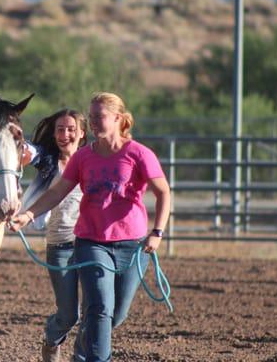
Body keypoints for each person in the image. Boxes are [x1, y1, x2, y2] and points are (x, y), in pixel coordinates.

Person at [11, 92, 170, 362]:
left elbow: (163, 192)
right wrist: (28, 214)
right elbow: (57, 192)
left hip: (132, 245)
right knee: (98, 309)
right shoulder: (83, 157)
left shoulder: (138, 153)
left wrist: (157, 232)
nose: (94, 121)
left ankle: (83, 354)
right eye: (92, 116)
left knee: (116, 315)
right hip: (91, 242)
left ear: (118, 119)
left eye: (100, 116)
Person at [21, 109, 88, 362]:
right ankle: (52, 339)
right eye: (60, 129)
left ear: (82, 134)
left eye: (71, 129)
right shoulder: (48, 159)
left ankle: (80, 357)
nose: (65, 135)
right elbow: (30, 152)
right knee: (68, 314)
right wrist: (19, 150)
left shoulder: (93, 159)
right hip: (60, 244)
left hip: (91, 243)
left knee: (93, 311)